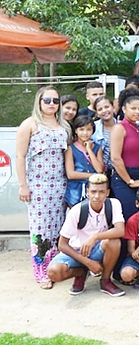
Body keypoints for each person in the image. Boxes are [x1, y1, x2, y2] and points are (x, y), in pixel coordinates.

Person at [16, 86, 70, 289]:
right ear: (39, 101)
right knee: (40, 228)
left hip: (59, 184)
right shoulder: (30, 124)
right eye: (47, 100)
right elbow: (20, 156)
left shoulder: (63, 126)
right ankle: (41, 271)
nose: (51, 104)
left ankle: (55, 266)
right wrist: (23, 185)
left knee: (57, 226)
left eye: (55, 101)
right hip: (37, 185)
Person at [47, 174, 125, 297]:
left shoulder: (113, 204)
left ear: (107, 193)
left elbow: (120, 230)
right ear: (87, 192)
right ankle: (80, 272)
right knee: (54, 272)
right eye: (93, 191)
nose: (97, 196)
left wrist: (94, 237)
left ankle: (105, 280)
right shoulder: (77, 210)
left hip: (97, 249)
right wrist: (88, 263)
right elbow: (62, 245)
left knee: (114, 241)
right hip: (77, 252)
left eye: (101, 192)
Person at [110, 93, 139, 220]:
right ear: (124, 109)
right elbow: (115, 158)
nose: (137, 111)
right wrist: (129, 181)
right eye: (133, 108)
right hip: (123, 178)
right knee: (129, 216)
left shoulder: (138, 128)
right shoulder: (119, 128)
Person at [64, 115, 104, 207]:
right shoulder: (70, 149)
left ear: (93, 130)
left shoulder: (97, 148)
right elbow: (71, 174)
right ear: (76, 131)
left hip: (94, 190)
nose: (85, 133)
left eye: (88, 129)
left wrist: (89, 150)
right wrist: (94, 176)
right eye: (81, 129)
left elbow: (99, 170)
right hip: (75, 191)